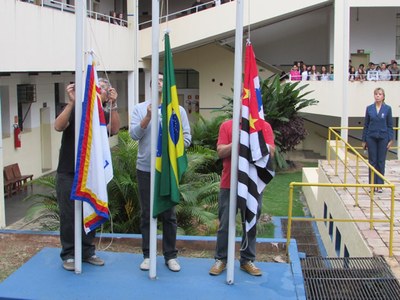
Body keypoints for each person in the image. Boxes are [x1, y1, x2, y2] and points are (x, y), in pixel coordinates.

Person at [54, 78, 120, 271]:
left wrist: (113, 105)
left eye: (103, 89)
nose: (99, 91)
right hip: (68, 172)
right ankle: (68, 254)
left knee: (89, 211)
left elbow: (114, 129)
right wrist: (72, 102)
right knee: (68, 215)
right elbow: (58, 126)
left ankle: (87, 251)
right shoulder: (78, 108)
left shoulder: (102, 113)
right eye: (96, 87)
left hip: (91, 174)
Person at [129, 73, 192, 272]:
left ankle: (170, 255)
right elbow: (133, 135)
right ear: (150, 85)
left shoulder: (177, 110)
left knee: (169, 213)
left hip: (167, 171)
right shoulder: (140, 108)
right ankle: (148, 255)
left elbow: (187, 138)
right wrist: (147, 118)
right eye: (156, 79)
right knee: (147, 213)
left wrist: (173, 147)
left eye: (163, 80)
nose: (159, 82)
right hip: (146, 169)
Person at [209, 118, 275, 276]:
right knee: (225, 223)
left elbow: (271, 151)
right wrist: (237, 142)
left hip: (252, 184)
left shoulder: (263, 126)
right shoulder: (226, 125)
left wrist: (253, 140)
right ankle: (221, 259)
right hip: (229, 183)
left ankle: (247, 260)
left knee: (251, 222)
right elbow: (220, 152)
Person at [362, 87, 393, 193]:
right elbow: (366, 124)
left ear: (383, 96)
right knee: (372, 161)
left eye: (380, 94)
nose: (377, 96)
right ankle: (372, 184)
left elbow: (390, 125)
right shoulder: (369, 108)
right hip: (371, 137)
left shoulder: (387, 109)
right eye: (376, 94)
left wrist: (390, 139)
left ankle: (379, 185)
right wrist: (364, 140)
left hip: (383, 138)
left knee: (381, 161)